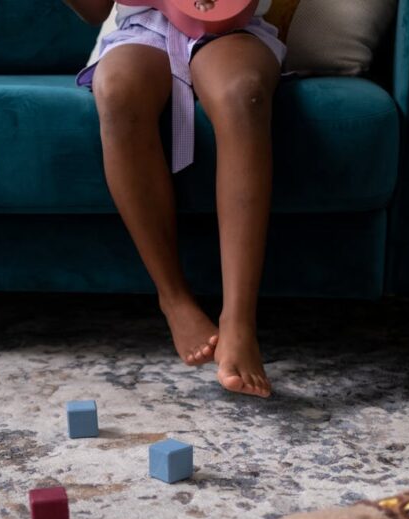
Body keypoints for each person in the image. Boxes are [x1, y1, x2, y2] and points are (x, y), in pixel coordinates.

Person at [70, 0, 287, 397]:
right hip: (142, 31)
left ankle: (239, 320)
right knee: (118, 91)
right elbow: (95, 10)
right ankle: (174, 300)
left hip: (233, 27)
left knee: (244, 93)